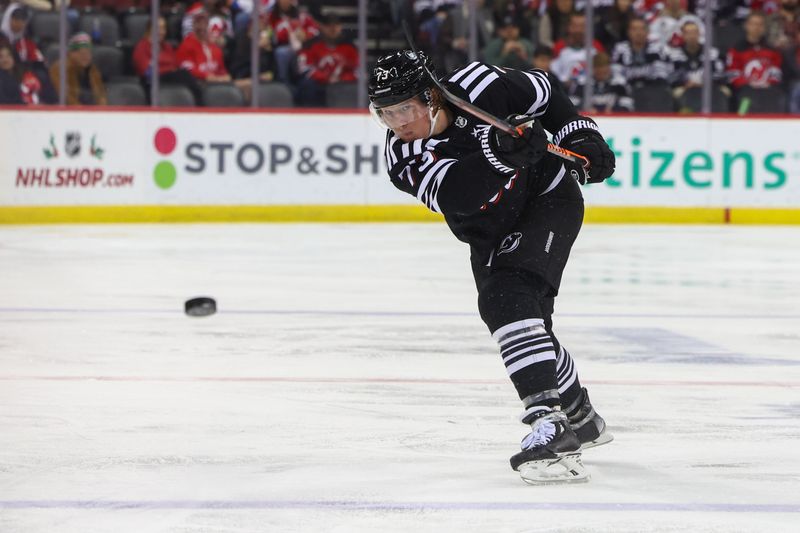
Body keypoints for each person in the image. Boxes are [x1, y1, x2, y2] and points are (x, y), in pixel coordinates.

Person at [367, 50, 615, 484]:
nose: (397, 124)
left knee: (506, 300)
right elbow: (460, 196)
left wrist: (581, 135)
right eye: (385, 114)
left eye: (404, 109)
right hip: (486, 229)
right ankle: (580, 416)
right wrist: (499, 151)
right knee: (525, 323)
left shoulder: (483, 85)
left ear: (432, 98)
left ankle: (550, 424)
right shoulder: (402, 156)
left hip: (547, 199)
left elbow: (547, 92)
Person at [133, 15, 204, 105]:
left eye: (163, 28)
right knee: (184, 75)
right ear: (149, 29)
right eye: (158, 28)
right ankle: (201, 106)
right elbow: (146, 71)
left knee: (186, 75)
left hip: (169, 78)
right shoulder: (142, 47)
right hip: (152, 80)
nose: (162, 32)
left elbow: (174, 65)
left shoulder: (167, 47)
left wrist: (170, 71)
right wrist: (168, 70)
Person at [295, 14, 357, 107]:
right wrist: (326, 78)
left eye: (336, 25)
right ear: (322, 27)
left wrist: (342, 78)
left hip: (342, 85)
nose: (333, 29)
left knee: (355, 88)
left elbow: (357, 70)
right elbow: (304, 68)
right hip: (318, 85)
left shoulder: (350, 47)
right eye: (329, 25)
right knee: (306, 85)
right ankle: (308, 113)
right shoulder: (311, 45)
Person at [48, 32, 107, 105]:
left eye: (88, 53)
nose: (86, 56)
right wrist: (82, 113)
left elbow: (101, 95)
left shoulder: (93, 70)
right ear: (71, 54)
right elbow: (66, 97)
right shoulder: (60, 68)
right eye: (81, 53)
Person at [568, 51, 634, 112]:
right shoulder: (582, 83)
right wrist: (585, 108)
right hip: (588, 119)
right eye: (598, 73)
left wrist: (614, 110)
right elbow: (572, 104)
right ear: (592, 69)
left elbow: (628, 105)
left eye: (604, 73)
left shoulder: (620, 83)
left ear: (609, 68)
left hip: (614, 120)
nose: (601, 76)